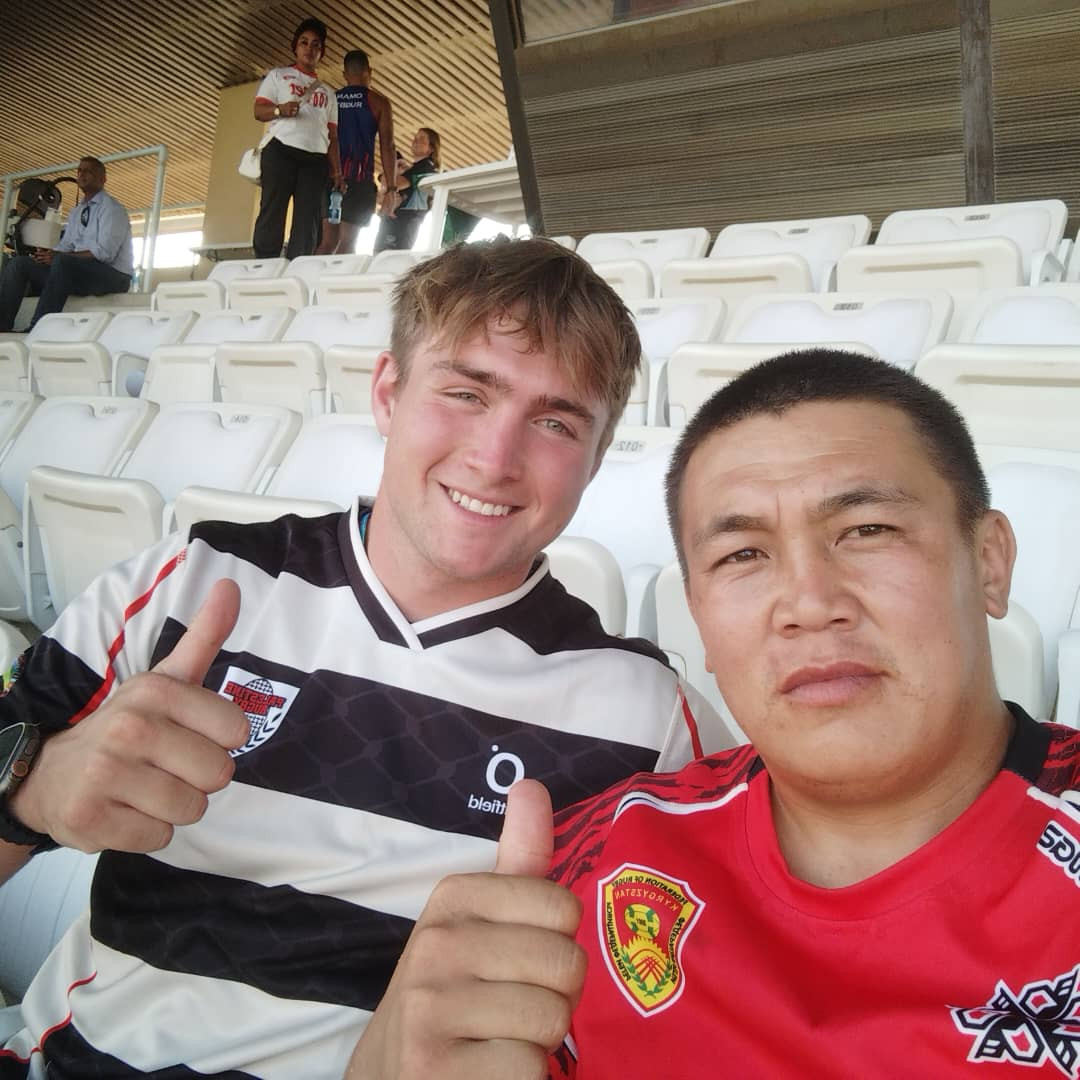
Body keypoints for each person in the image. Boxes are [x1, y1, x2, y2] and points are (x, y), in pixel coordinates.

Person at [0, 237, 733, 1077]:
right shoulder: (190, 579)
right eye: (465, 393)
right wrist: (33, 794)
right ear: (388, 392)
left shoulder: (646, 715)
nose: (494, 458)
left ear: (596, 460)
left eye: (556, 422)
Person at [347, 348, 1080, 1079]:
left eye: (868, 530)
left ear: (989, 561)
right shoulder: (592, 862)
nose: (809, 603)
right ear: (697, 611)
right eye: (742, 555)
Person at [0, 157, 132, 332]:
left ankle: (38, 328)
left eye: (88, 171)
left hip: (113, 277)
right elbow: (65, 246)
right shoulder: (77, 212)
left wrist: (58, 257)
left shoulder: (112, 209)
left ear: (103, 179)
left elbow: (104, 253)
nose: (82, 174)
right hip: (79, 271)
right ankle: (2, 326)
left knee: (63, 262)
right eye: (80, 171)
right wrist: (47, 255)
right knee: (20, 264)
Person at [251, 17, 342, 260]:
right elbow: (258, 111)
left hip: (315, 159)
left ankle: (298, 264)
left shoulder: (328, 93)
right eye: (304, 42)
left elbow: (333, 136)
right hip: (281, 151)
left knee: (308, 218)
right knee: (273, 209)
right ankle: (265, 263)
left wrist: (337, 172)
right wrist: (279, 110)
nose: (309, 48)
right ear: (295, 46)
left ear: (321, 52)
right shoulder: (278, 76)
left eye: (316, 45)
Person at [316, 49, 397, 256]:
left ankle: (311, 277)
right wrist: (391, 187)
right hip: (359, 179)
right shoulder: (379, 102)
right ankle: (338, 279)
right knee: (348, 243)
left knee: (327, 243)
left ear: (345, 74)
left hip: (330, 177)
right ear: (369, 72)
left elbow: (322, 138)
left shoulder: (332, 100)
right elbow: (387, 145)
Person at [373, 128, 440, 254]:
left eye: (421, 139)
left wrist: (387, 173)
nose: (415, 141)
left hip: (403, 223)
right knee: (381, 257)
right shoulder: (414, 169)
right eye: (415, 137)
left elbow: (394, 183)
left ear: (431, 148)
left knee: (387, 258)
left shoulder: (426, 167)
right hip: (397, 221)